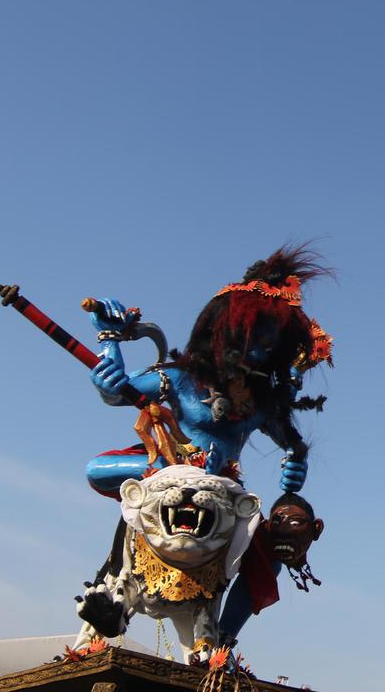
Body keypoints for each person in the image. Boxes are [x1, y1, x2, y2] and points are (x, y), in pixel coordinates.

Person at [83, 245, 333, 497]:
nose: (256, 354)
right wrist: (109, 339)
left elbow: (293, 446)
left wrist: (296, 463)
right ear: (220, 334)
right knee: (96, 469)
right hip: (166, 481)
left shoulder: (262, 404)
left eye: (267, 347)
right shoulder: (180, 380)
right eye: (248, 341)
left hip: (222, 496)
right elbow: (117, 393)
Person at [219, 492, 325, 644]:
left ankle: (221, 639)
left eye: (295, 523)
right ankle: (221, 639)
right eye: (277, 523)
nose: (285, 531)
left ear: (316, 528)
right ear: (267, 526)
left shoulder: (263, 554)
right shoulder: (258, 542)